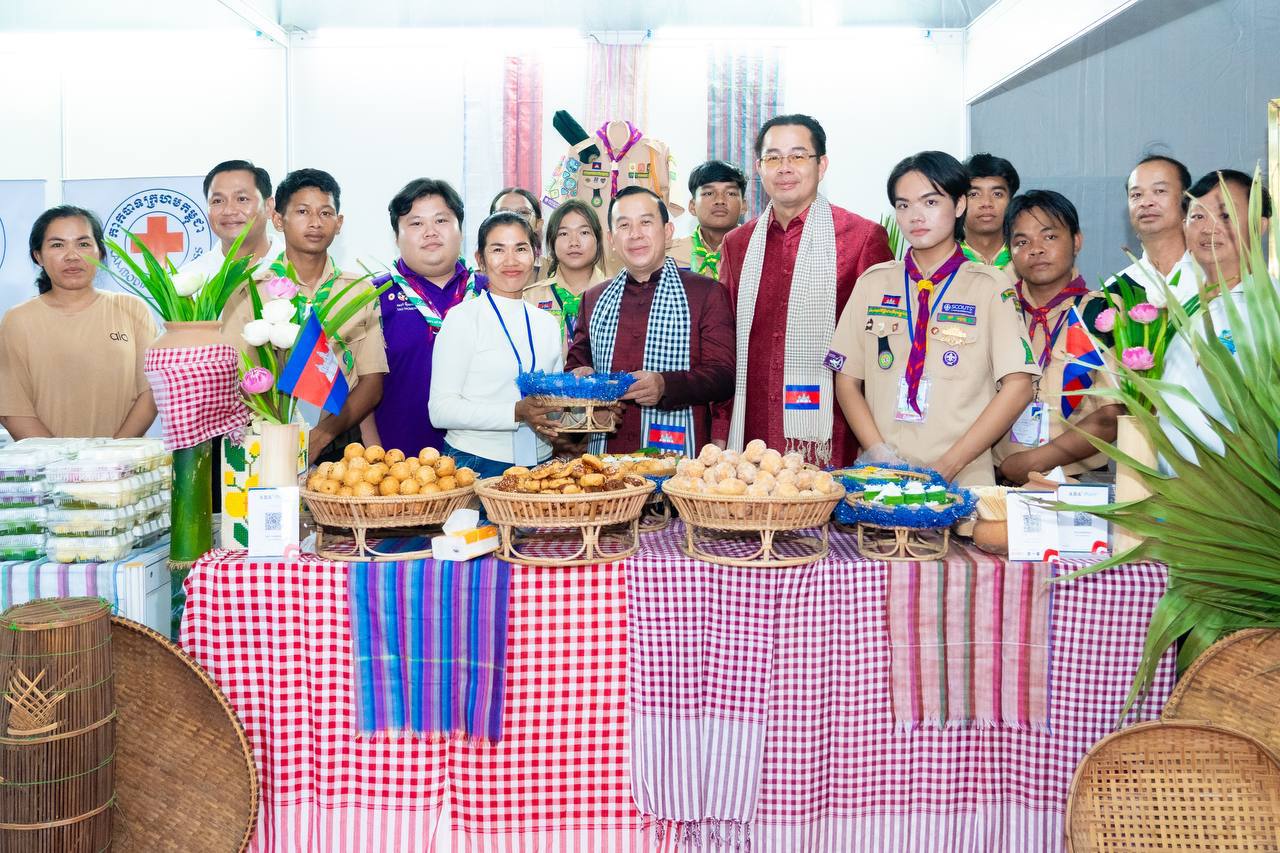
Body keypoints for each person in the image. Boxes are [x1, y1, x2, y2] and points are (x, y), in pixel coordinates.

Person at [827, 151, 1038, 487]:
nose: (916, 216)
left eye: (930, 202)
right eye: (903, 205)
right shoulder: (873, 283)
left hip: (963, 480)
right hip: (882, 480)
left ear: (959, 205)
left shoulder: (989, 286)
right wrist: (878, 453)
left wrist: (948, 466)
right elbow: (847, 381)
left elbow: (1019, 385)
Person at [716, 113, 894, 466]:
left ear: (821, 165)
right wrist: (721, 427)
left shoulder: (861, 238)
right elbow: (726, 343)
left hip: (833, 435)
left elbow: (882, 346)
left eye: (798, 156)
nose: (785, 168)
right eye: (773, 158)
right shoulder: (737, 244)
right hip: (752, 433)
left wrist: (873, 441)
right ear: (759, 168)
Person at [221, 168, 386, 462]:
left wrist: (319, 438)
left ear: (339, 223)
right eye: (302, 211)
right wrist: (282, 434)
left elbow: (371, 383)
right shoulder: (248, 292)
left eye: (325, 213)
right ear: (278, 220)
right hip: (269, 438)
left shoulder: (359, 291)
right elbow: (237, 378)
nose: (315, 223)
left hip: (339, 441)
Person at [565, 187, 736, 456]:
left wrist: (666, 385)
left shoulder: (706, 293)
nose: (635, 234)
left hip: (679, 461)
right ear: (611, 239)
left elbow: (723, 376)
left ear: (667, 232)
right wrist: (582, 381)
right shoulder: (593, 298)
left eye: (645, 222)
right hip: (606, 458)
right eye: (624, 225)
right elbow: (576, 364)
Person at [992, 190, 1121, 484]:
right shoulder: (999, 311)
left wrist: (1033, 461)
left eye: (1049, 237)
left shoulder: (1101, 313)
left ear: (1077, 241)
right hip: (996, 480)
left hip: (1078, 481)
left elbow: (1112, 413)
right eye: (1022, 242)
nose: (1036, 249)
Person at [0, 206, 157, 438]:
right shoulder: (18, 320)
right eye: (57, 245)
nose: (72, 256)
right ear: (38, 256)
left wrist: (112, 454)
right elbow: (13, 409)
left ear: (100, 252)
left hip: (123, 458)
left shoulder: (132, 309)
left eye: (83, 244)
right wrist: (60, 459)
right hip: (47, 461)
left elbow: (151, 393)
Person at [429, 212, 563, 477]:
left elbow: (554, 401)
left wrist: (588, 413)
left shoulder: (547, 323)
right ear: (480, 260)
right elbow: (440, 411)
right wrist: (515, 412)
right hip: (476, 462)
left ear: (535, 255)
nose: (511, 261)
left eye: (521, 249)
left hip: (541, 462)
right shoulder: (463, 319)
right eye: (498, 250)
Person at [1161, 170, 1271, 464]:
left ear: (1259, 225)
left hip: (1244, 483)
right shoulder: (1176, 304)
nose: (1209, 228)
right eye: (1198, 216)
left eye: (1225, 215)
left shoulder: (1270, 307)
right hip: (1171, 481)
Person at [370, 178, 484, 454]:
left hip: (483, 459)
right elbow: (360, 386)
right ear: (396, 236)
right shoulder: (373, 297)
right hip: (398, 461)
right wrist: (375, 454)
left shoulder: (489, 291)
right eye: (416, 223)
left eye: (441, 220)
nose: (430, 232)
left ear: (460, 230)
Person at [1104, 155, 1201, 310]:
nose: (1145, 203)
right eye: (1136, 195)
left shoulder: (1215, 275)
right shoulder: (1115, 291)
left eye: (1159, 191)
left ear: (1187, 200)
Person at [522, 200, 607, 348]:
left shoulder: (616, 295)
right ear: (552, 242)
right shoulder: (530, 298)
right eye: (563, 233)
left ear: (598, 240)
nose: (574, 242)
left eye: (584, 232)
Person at [181, 159, 279, 276]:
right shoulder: (189, 278)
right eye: (217, 201)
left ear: (268, 207)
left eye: (242, 199)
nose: (228, 211)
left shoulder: (294, 269)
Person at [669, 160, 747, 279]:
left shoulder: (760, 253)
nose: (720, 200)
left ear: (744, 205)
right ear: (692, 206)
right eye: (709, 193)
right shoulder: (670, 256)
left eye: (730, 193)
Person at [961, 153, 1019, 271]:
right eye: (974, 194)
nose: (986, 203)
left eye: (997, 194)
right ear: (959, 203)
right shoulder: (944, 261)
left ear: (1011, 201)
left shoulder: (1027, 259)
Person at [490, 187, 544, 274]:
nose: (513, 219)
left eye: (523, 213)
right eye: (503, 213)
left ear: (538, 224)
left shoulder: (553, 273)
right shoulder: (474, 278)